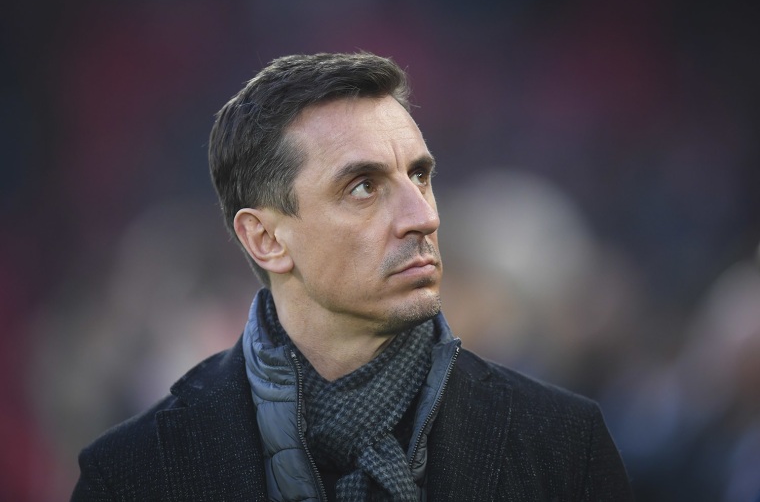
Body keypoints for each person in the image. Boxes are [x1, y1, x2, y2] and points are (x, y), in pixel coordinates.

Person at [72, 52, 633, 501]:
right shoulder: (133, 474)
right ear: (265, 240)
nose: (424, 216)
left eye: (420, 175)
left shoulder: (563, 444)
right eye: (363, 186)